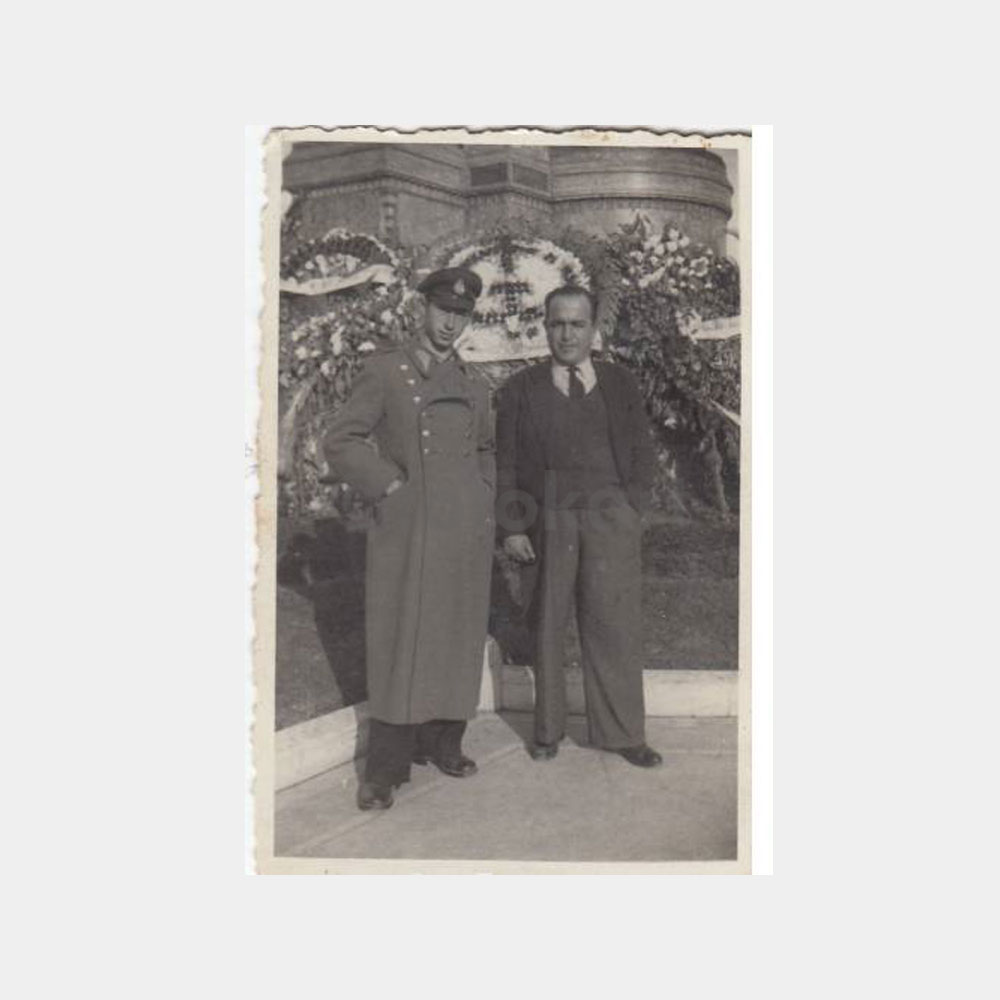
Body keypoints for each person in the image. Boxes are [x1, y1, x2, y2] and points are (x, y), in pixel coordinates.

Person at [324, 267, 495, 810]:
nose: (450, 324)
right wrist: (388, 486)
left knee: (456, 636)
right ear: (423, 309)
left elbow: (486, 448)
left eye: (461, 315)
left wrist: (483, 492)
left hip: (462, 529)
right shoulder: (386, 371)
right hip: (408, 530)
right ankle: (385, 770)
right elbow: (341, 440)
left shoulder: (474, 383)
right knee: (401, 641)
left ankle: (444, 744)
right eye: (443, 310)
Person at [495, 286, 662, 767]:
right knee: (548, 623)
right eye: (558, 324)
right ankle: (548, 731)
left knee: (614, 624)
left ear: (593, 329)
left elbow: (641, 451)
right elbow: (506, 463)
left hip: (610, 518)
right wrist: (514, 527)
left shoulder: (619, 383)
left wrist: (632, 508)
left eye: (576, 324)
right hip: (550, 518)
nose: (567, 334)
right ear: (545, 327)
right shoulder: (521, 389)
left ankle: (622, 733)